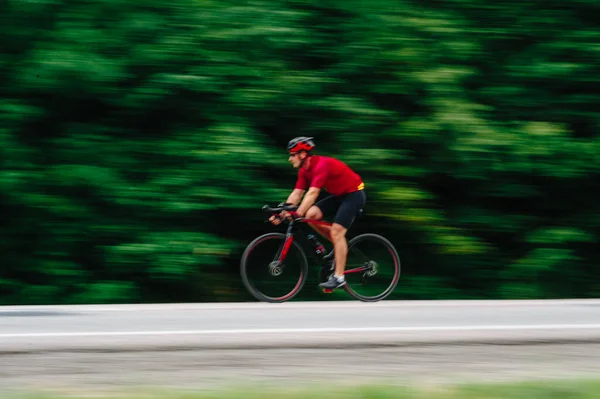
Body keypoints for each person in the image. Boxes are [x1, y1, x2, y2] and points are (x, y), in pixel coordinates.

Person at [269, 136, 366, 290]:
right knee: (311, 215)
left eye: (292, 155)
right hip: (339, 195)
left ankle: (339, 277)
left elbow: (313, 193)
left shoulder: (320, 165)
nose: (290, 159)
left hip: (354, 194)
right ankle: (339, 244)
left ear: (302, 154)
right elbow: (297, 193)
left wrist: (297, 213)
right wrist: (282, 213)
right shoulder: (303, 171)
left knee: (336, 231)